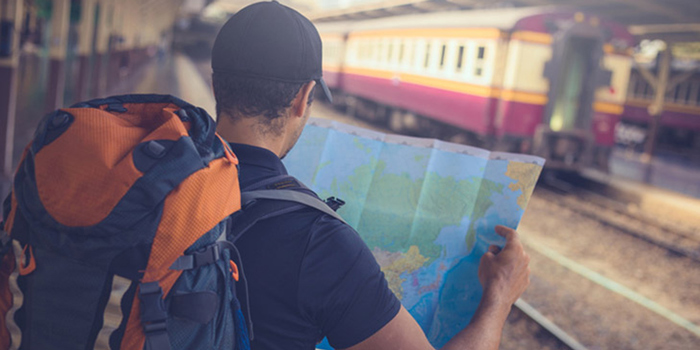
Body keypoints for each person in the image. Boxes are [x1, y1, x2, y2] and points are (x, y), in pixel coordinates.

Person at [212, 2, 530, 349]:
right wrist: (498, 299)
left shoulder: (152, 177)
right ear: (302, 99)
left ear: (216, 87)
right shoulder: (319, 242)